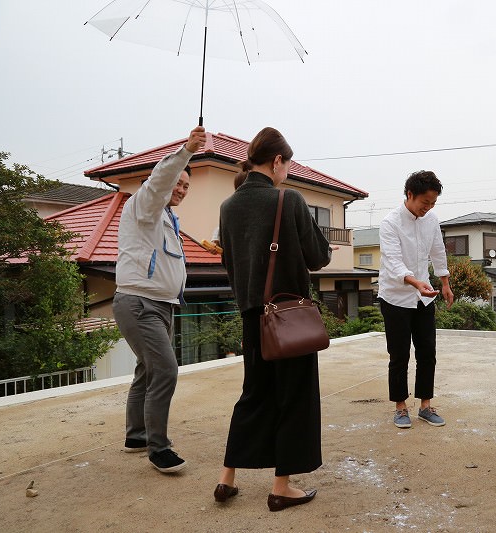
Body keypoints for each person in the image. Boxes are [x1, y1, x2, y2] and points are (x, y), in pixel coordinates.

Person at [214, 127, 332, 512]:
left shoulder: (228, 207)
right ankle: (282, 487)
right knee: (294, 398)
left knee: (254, 395)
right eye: (288, 164)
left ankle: (226, 478)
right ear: (277, 161)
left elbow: (229, 263)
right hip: (288, 315)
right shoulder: (290, 200)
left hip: (251, 315)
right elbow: (319, 257)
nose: (288, 172)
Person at [113, 126, 206, 472]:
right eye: (177, 183)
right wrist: (187, 151)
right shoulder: (145, 204)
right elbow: (158, 182)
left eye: (185, 186)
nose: (180, 189)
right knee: (165, 369)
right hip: (139, 303)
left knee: (146, 369)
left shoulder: (167, 218)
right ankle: (159, 448)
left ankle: (136, 435)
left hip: (160, 304)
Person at [378, 170, 454, 429]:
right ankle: (400, 407)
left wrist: (444, 282)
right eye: (425, 202)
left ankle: (425, 405)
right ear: (410, 194)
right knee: (398, 354)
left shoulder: (431, 220)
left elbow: (438, 250)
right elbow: (393, 262)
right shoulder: (390, 223)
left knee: (427, 352)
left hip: (424, 298)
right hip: (396, 297)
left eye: (433, 203)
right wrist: (414, 282)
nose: (428, 208)